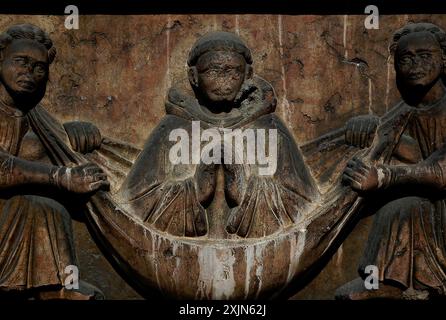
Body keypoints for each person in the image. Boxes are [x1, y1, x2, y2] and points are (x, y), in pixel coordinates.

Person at [118, 31, 319, 238]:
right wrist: (195, 189)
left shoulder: (269, 127)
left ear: (248, 75)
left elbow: (303, 204)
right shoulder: (172, 128)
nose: (223, 81)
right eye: (213, 71)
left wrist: (245, 189)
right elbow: (135, 203)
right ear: (193, 77)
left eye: (232, 71)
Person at [337, 22, 446, 299]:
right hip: (426, 202)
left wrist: (383, 177)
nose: (415, 65)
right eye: (406, 58)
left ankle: (399, 283)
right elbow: (401, 148)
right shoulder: (404, 114)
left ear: (443, 60)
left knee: (402, 209)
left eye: (425, 56)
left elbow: (440, 171)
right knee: (401, 208)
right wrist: (370, 127)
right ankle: (386, 282)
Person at [0, 24, 109, 299]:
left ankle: (57, 287)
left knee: (44, 207)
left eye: (39, 68)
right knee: (33, 207)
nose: (30, 73)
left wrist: (67, 135)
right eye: (20, 62)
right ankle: (54, 288)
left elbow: (30, 152)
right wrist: (61, 176)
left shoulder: (29, 115)